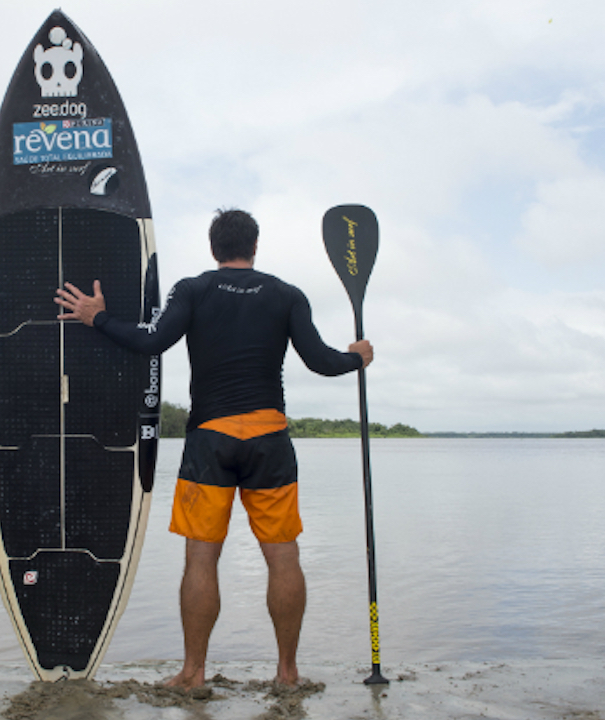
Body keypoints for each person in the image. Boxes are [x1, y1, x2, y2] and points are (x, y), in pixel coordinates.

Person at [54, 208, 373, 689]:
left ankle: (193, 674)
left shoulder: (193, 289)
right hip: (270, 439)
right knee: (283, 557)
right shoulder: (287, 295)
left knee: (201, 559)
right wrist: (358, 357)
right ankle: (288, 675)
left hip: (211, 441)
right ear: (255, 246)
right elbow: (322, 361)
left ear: (213, 248)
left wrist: (98, 318)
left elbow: (152, 341)